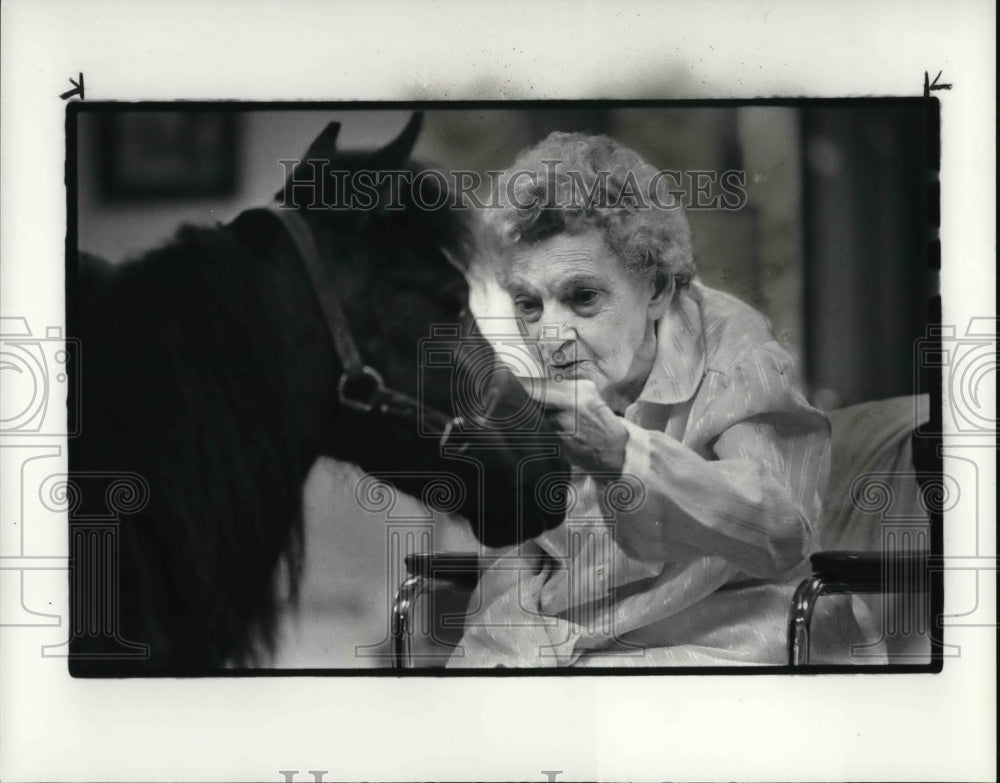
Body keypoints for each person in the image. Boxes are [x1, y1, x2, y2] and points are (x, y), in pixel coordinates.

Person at [448, 132, 885, 667]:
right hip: (573, 640)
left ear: (656, 289)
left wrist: (622, 455)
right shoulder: (531, 370)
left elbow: (782, 528)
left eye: (582, 298)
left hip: (725, 636)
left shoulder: (736, 353)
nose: (550, 336)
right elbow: (521, 559)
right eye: (529, 304)